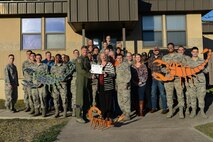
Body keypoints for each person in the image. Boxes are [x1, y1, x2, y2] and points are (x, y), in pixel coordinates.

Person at [162, 43, 185, 119]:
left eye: (171, 47)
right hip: (168, 79)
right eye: (169, 47)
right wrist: (166, 70)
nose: (170, 48)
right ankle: (171, 111)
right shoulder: (165, 57)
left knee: (180, 94)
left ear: (174, 48)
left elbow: (184, 65)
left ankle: (181, 111)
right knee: (169, 95)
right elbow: (162, 68)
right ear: (167, 49)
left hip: (178, 78)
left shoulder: (179, 56)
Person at [187, 47, 209, 118]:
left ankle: (202, 111)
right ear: (191, 52)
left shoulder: (202, 60)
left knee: (201, 97)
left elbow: (207, 71)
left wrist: (204, 69)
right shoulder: (188, 61)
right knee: (192, 97)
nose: (195, 53)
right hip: (191, 81)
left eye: (196, 52)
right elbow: (185, 71)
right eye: (194, 52)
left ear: (198, 52)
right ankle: (193, 111)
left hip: (201, 81)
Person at [148, 47, 168, 114]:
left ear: (159, 51)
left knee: (162, 93)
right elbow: (150, 67)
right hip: (154, 78)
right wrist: (152, 74)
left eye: (157, 50)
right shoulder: (150, 59)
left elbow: (164, 67)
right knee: (153, 93)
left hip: (160, 77)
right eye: (155, 50)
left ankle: (164, 108)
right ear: (153, 51)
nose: (156, 51)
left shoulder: (162, 57)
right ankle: (154, 108)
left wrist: (159, 74)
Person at [75, 46, 92, 123]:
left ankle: (84, 115)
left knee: (86, 99)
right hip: (81, 81)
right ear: (81, 51)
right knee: (80, 99)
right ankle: (78, 116)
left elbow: (89, 68)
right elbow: (80, 70)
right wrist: (90, 75)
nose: (85, 51)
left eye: (86, 50)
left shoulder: (87, 59)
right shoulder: (79, 59)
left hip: (87, 81)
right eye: (84, 50)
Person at [97, 52, 115, 120]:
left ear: (106, 57)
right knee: (102, 101)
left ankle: (109, 115)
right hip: (100, 85)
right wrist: (93, 75)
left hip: (108, 85)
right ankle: (103, 114)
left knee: (108, 101)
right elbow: (96, 75)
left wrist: (107, 74)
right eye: (102, 56)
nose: (103, 57)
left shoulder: (109, 64)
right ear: (100, 57)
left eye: (104, 56)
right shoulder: (98, 65)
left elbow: (113, 74)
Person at [116, 54, 131, 120]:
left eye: (120, 58)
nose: (119, 59)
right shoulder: (117, 66)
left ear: (122, 58)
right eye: (118, 58)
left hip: (125, 85)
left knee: (126, 100)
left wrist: (126, 83)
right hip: (119, 86)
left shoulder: (126, 65)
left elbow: (128, 75)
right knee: (120, 100)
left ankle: (127, 114)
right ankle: (124, 112)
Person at [71, 49, 80, 117]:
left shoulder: (81, 60)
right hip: (74, 79)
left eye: (77, 53)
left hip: (80, 79)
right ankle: (74, 110)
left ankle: (80, 110)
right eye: (75, 53)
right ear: (73, 54)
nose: (76, 54)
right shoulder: (71, 62)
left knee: (80, 96)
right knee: (74, 96)